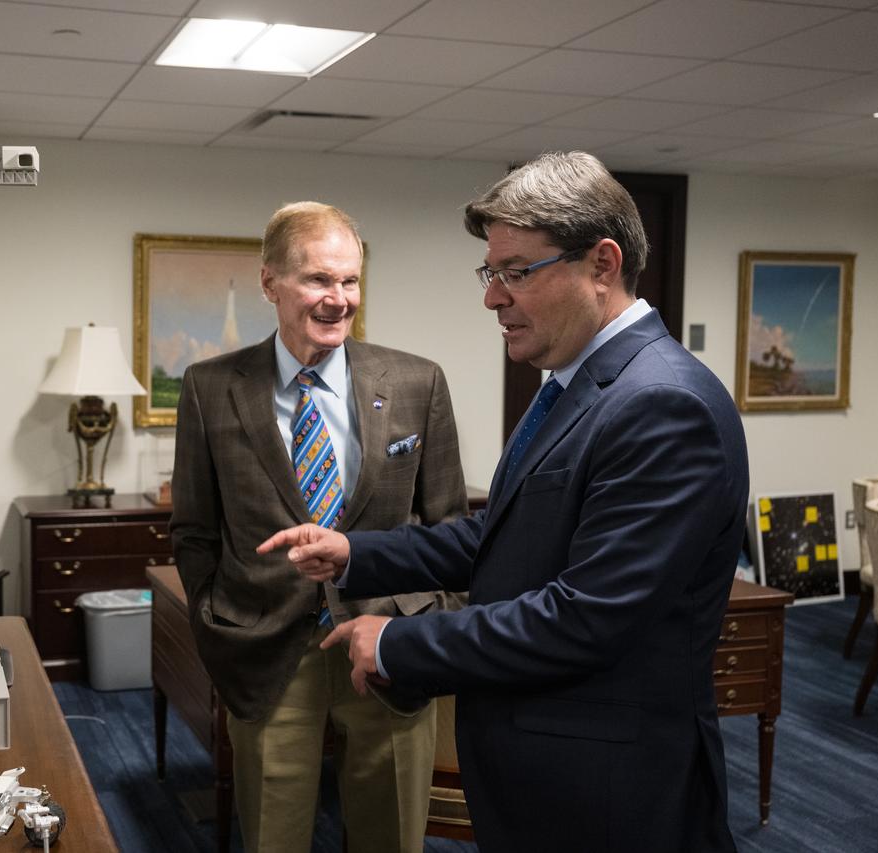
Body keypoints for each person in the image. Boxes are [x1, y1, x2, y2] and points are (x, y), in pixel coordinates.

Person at [260, 153, 749, 853]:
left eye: (516, 271)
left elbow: (586, 619)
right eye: (490, 274)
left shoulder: (662, 403)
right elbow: (502, 534)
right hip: (547, 770)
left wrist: (397, 640)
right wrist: (355, 554)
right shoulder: (573, 385)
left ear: (602, 265)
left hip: (609, 790)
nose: (493, 297)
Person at [170, 201, 468, 853]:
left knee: (391, 835)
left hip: (389, 642)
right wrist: (217, 619)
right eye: (318, 280)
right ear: (270, 282)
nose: (338, 299)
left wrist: (424, 621)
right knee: (274, 837)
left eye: (350, 280)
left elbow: (449, 528)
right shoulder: (209, 387)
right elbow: (193, 531)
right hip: (269, 647)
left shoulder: (418, 383)